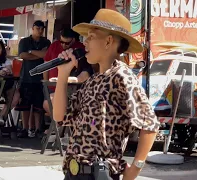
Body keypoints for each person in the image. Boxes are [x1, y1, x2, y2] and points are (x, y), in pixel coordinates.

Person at [53, 9, 160, 180]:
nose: (84, 42)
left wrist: (135, 169)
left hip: (99, 173)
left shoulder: (122, 77)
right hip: (74, 171)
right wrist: (63, 74)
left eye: (91, 37)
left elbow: (150, 125)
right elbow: (60, 116)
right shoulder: (93, 81)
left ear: (108, 41)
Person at [42, 28, 93, 116]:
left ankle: (61, 127)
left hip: (71, 89)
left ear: (73, 39)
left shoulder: (80, 49)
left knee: (58, 107)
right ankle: (60, 127)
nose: (63, 45)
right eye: (61, 41)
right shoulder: (54, 45)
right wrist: (46, 82)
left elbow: (85, 72)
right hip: (52, 85)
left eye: (67, 43)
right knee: (47, 105)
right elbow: (46, 63)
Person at [15, 20, 51, 138]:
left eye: (42, 29)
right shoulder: (24, 41)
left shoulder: (46, 41)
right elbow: (22, 55)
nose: (40, 31)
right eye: (37, 28)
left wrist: (31, 52)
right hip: (26, 76)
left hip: (41, 77)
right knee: (25, 105)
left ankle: (37, 128)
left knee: (38, 106)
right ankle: (25, 128)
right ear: (33, 28)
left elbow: (46, 55)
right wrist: (38, 54)